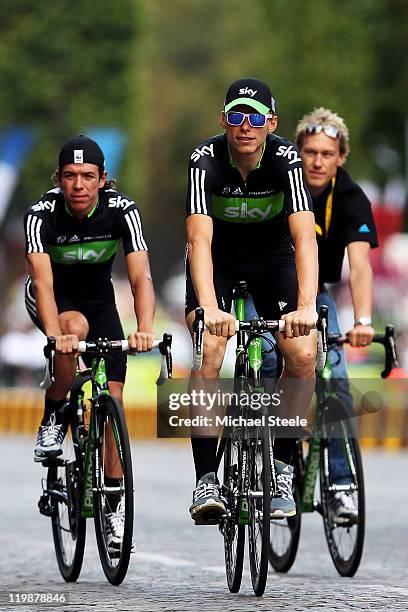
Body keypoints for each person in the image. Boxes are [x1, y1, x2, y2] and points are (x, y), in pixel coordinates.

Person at [184, 78, 319, 524]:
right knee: (209, 349)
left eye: (256, 117)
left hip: (272, 259)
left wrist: (306, 306)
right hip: (217, 262)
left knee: (302, 353)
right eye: (237, 116)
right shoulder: (204, 161)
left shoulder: (287, 159)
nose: (246, 126)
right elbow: (199, 239)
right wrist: (208, 307)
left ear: (271, 124)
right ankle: (207, 477)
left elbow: (303, 235)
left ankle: (280, 466)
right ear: (224, 120)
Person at [247, 107, 378, 521]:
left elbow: (359, 266)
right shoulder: (279, 182)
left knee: (335, 380)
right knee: (268, 356)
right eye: (310, 152)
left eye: (327, 153)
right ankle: (266, 437)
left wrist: (362, 321)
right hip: (267, 286)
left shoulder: (352, 198)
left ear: (341, 158)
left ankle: (340, 486)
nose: (318, 161)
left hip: (315, 294)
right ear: (297, 152)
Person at [24, 135, 155, 548]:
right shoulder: (41, 215)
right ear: (58, 180)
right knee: (72, 330)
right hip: (53, 300)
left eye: (87, 176)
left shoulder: (122, 211)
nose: (78, 185)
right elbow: (43, 284)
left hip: (100, 302)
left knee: (113, 398)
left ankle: (114, 508)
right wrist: (53, 336)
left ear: (103, 180)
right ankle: (54, 414)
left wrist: (144, 326)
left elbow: (140, 278)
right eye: (69, 177)